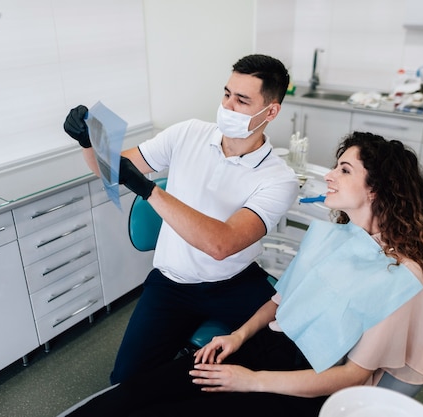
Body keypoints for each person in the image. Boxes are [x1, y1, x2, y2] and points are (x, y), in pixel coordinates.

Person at [63, 131, 423, 417]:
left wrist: (249, 381)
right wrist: (236, 337)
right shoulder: (337, 236)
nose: (329, 175)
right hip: (264, 350)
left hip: (303, 387)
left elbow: (351, 376)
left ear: (377, 188)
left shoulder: (401, 278)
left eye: (343, 170)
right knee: (131, 394)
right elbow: (279, 301)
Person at [63, 54, 299, 384]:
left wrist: (148, 190)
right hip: (172, 283)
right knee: (125, 382)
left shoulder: (278, 178)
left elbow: (222, 244)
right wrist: (89, 141)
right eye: (227, 93)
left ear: (271, 111)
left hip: (234, 280)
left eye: (242, 100)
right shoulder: (189, 133)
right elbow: (114, 170)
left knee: (293, 355)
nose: (228, 106)